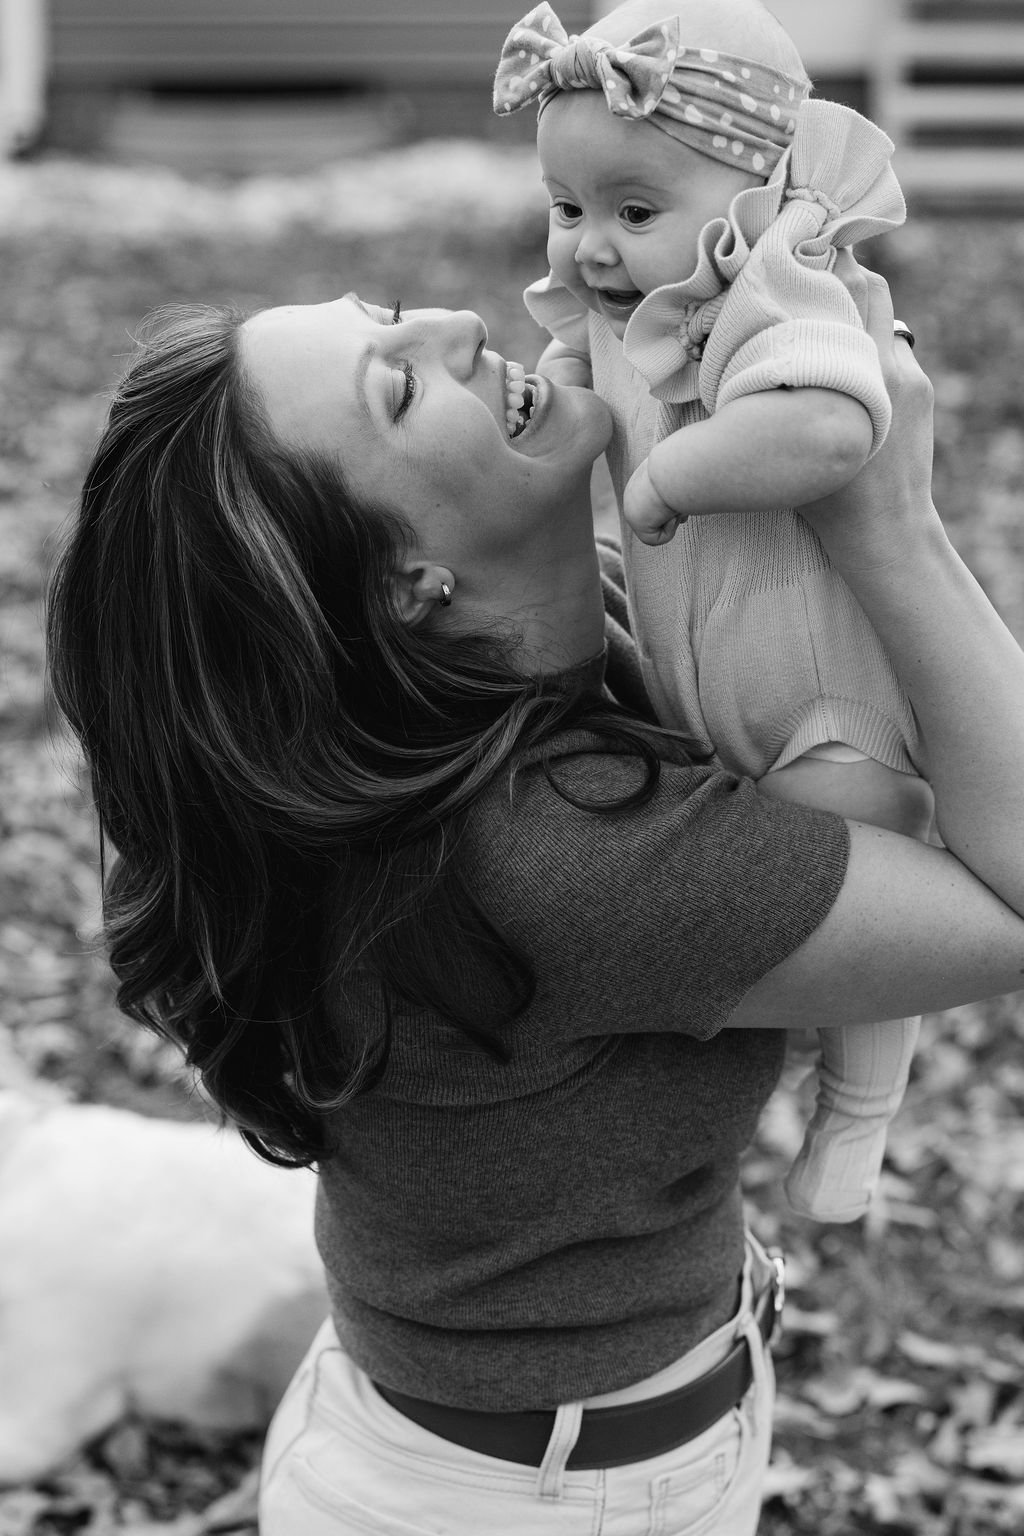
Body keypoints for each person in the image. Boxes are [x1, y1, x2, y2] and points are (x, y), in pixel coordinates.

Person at [45, 278, 1024, 1536]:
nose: (454, 329)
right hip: (553, 1500)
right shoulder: (561, 861)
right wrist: (891, 524)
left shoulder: (454, 724)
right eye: (398, 389)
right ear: (408, 584)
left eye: (390, 311)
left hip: (436, 1440)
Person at [495, 0, 928, 1223]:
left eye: (633, 213)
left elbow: (831, 423)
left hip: (821, 688)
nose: (588, 245)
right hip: (705, 672)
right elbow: (579, 382)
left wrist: (673, 474)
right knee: (767, 912)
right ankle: (786, 1064)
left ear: (755, 197)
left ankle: (859, 1107)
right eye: (567, 208)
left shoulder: (776, 285)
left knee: (858, 874)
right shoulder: (615, 295)